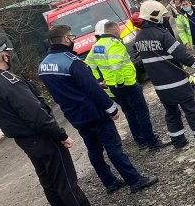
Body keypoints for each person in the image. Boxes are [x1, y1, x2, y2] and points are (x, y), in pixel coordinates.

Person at [0, 35, 121, 206]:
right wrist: (60, 134)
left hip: (25, 141)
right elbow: (35, 114)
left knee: (50, 183)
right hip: (42, 137)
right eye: (8, 53)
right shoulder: (9, 82)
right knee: (66, 181)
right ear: (4, 56)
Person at [38, 25, 159, 195]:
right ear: (66, 39)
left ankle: (109, 182)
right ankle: (134, 180)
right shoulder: (71, 61)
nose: (73, 40)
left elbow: (70, 87)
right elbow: (90, 89)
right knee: (113, 146)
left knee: (93, 148)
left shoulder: (43, 65)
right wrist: (111, 108)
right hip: (93, 112)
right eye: (71, 37)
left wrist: (94, 84)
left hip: (74, 115)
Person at [135, 0, 195, 148]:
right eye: (163, 16)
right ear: (154, 16)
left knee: (171, 113)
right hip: (177, 82)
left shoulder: (139, 37)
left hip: (160, 86)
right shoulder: (162, 34)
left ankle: (178, 141)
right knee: (191, 109)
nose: (166, 18)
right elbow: (182, 55)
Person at [88, 20, 166, 150]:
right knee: (141, 112)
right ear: (115, 30)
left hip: (113, 87)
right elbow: (115, 66)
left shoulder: (96, 46)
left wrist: (99, 80)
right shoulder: (114, 44)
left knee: (130, 113)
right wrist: (120, 82)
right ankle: (152, 141)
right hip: (126, 84)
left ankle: (141, 141)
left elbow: (89, 64)